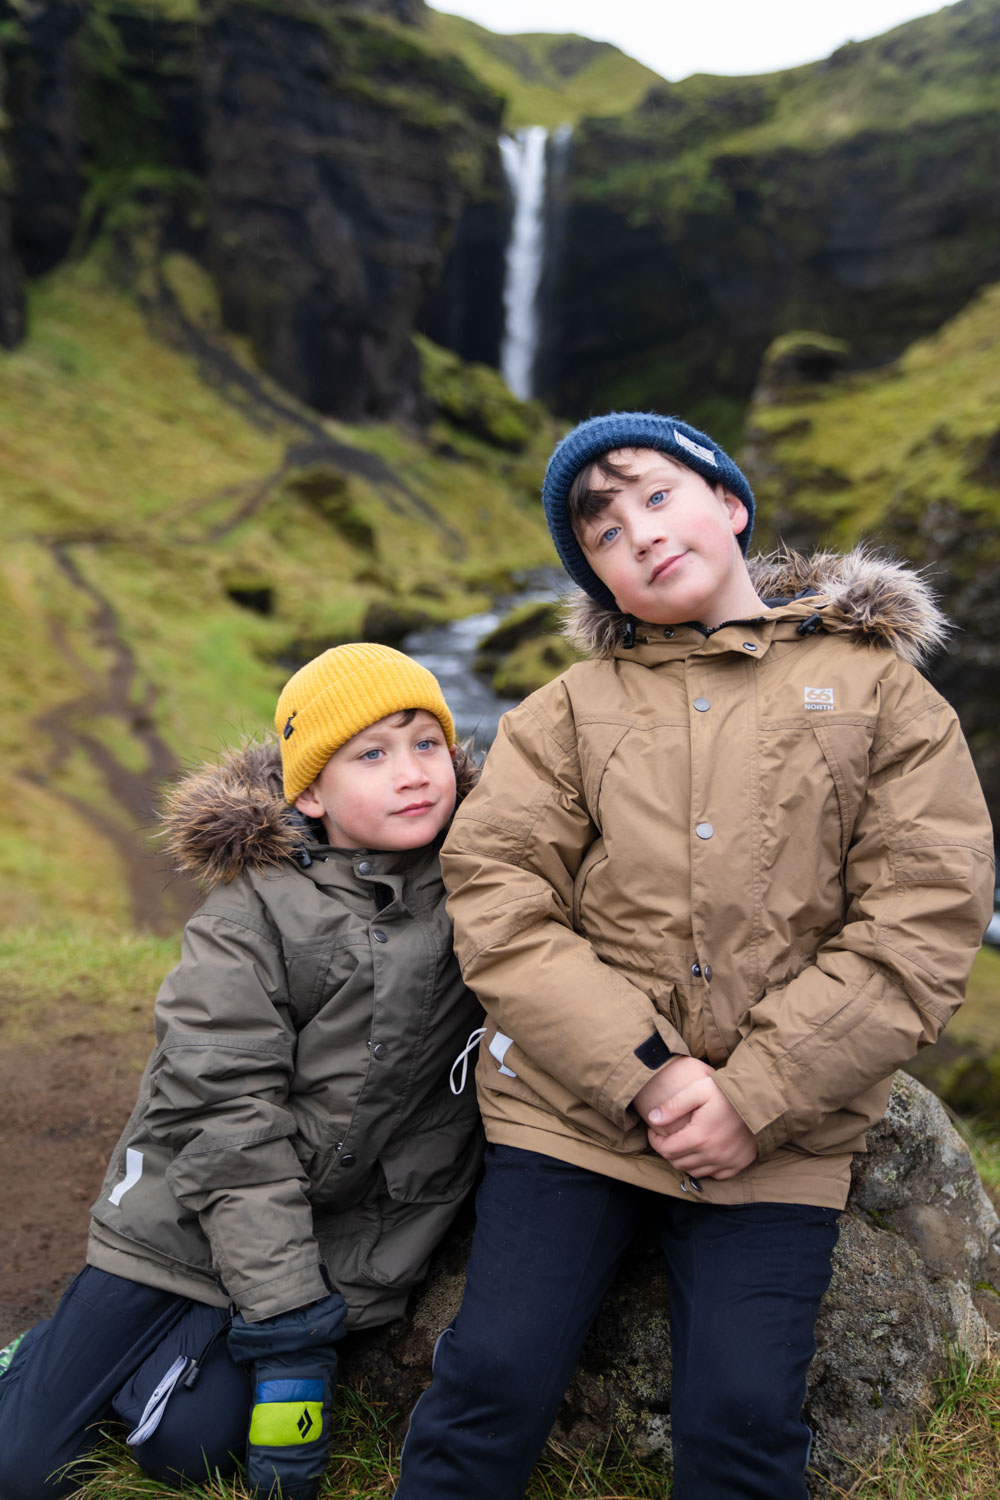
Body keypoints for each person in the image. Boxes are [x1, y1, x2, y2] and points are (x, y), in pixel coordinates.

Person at [393, 412, 995, 1500]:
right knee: (489, 1378)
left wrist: (754, 1093)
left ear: (728, 503)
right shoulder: (565, 712)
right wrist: (647, 1071)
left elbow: (925, 913)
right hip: (570, 1113)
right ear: (601, 586)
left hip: (784, 1133)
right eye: (604, 534)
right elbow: (496, 891)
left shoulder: (880, 694)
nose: (639, 534)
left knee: (741, 1419)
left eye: (655, 497)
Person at [0, 643, 483, 1500]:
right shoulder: (251, 909)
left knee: (187, 1453)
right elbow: (223, 1112)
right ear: (307, 793)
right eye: (369, 755)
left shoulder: (488, 880)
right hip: (181, 1219)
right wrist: (292, 1329)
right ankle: (43, 1358)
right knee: (24, 1470)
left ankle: (163, 1371)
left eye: (425, 743)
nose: (411, 774)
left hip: (340, 1241)